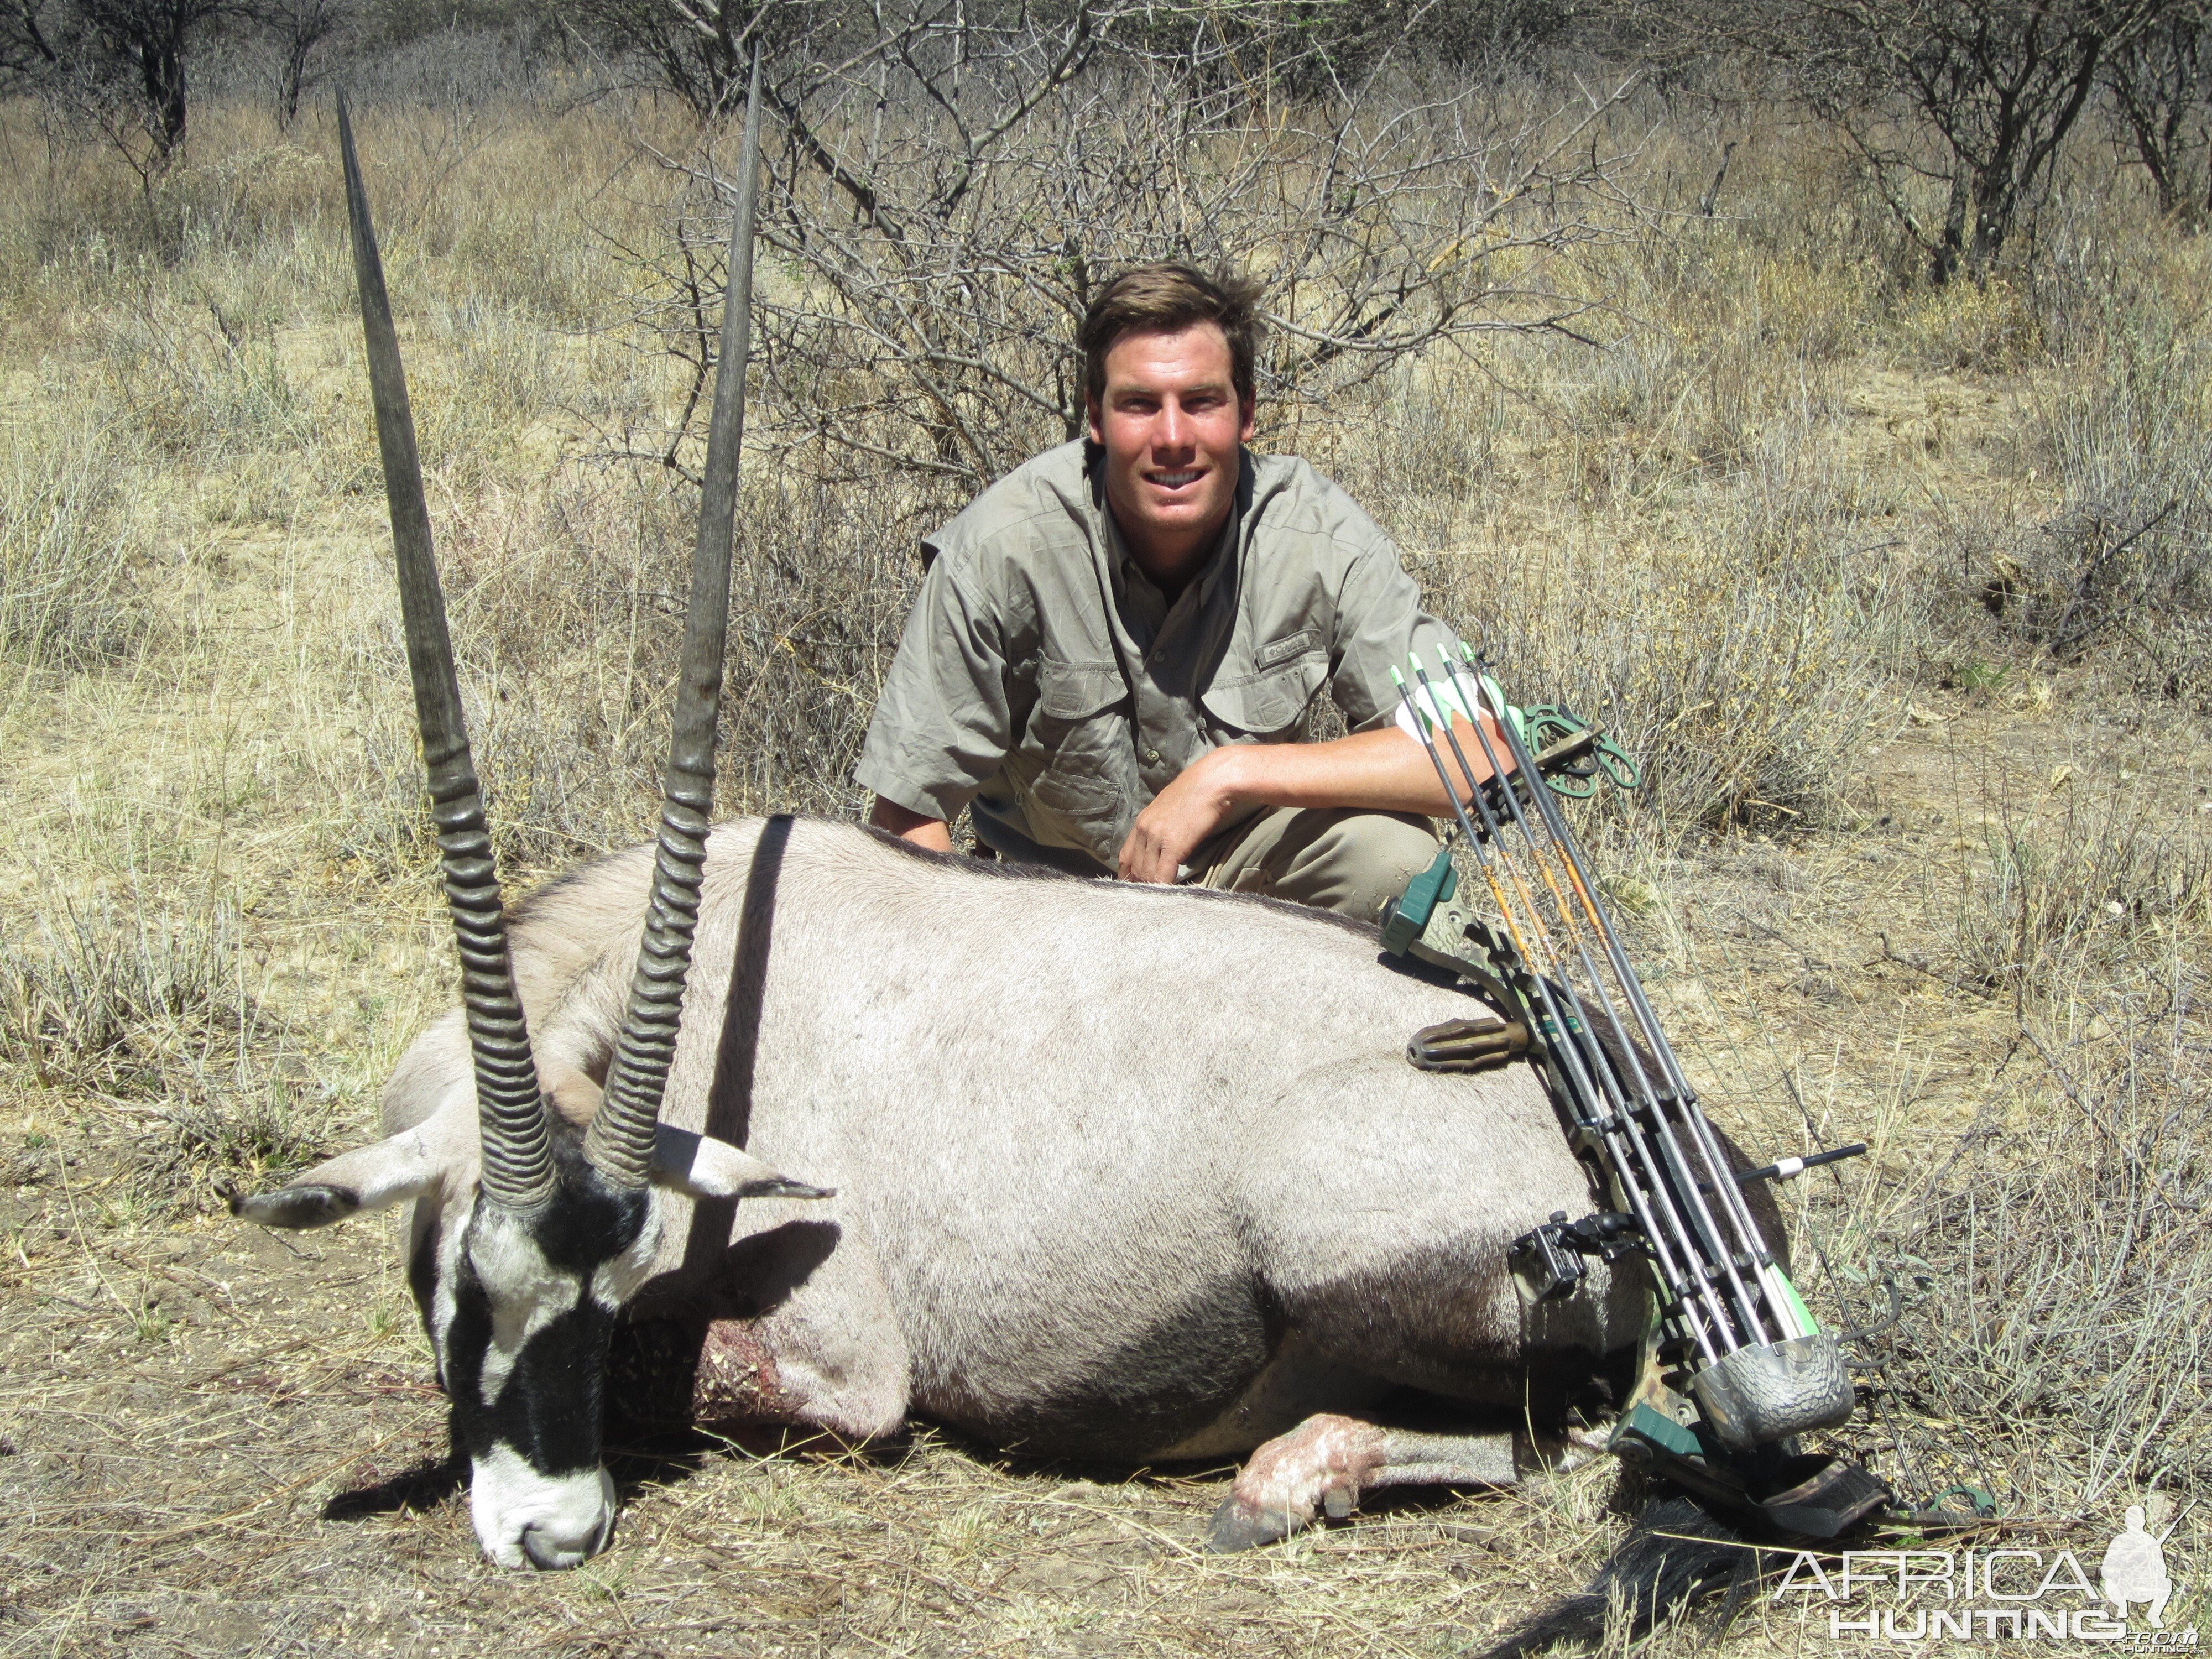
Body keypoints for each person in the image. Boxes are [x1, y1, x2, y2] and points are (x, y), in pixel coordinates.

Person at [855, 262, 1504, 921]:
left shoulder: (1322, 537)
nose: (1172, 439)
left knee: (1396, 862)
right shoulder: (997, 548)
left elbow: (1480, 751)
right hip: (1049, 904)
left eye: (1200, 402)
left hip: (1245, 874)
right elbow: (905, 818)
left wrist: (1228, 777)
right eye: (1139, 404)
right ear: (1096, 418)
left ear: (1246, 413)